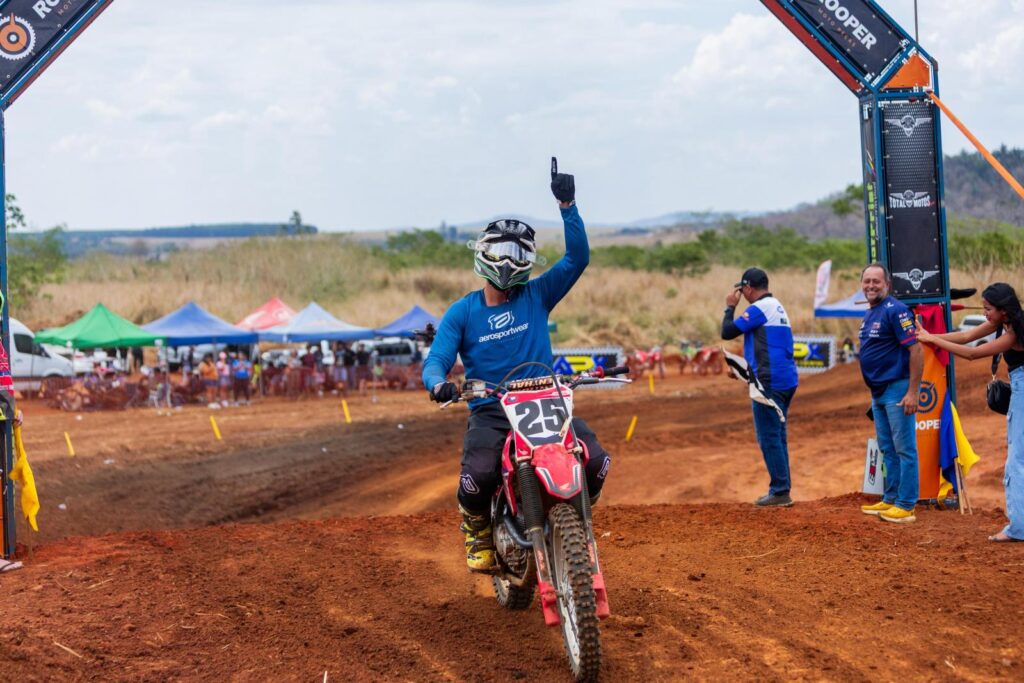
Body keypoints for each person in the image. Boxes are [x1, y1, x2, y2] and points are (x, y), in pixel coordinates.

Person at [421, 161, 612, 572]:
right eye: (502, 253)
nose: (510, 261)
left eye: (519, 253)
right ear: (485, 255)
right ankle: (477, 530)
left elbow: (577, 258)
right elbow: (437, 358)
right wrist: (438, 383)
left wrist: (567, 205)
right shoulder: (462, 312)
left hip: (546, 403)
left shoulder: (537, 294)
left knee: (596, 461)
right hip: (492, 408)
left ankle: (577, 511)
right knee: (478, 475)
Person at [917, 283, 1024, 541]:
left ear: (1003, 311)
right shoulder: (1007, 322)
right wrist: (931, 336)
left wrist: (933, 340)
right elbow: (966, 336)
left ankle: (1018, 527)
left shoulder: (1013, 333)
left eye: (988, 308)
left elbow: (973, 353)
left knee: (1016, 459)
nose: (985, 313)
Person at [721, 267, 799, 507]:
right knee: (777, 435)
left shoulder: (760, 308)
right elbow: (767, 348)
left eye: (742, 290)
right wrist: (742, 370)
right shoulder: (776, 306)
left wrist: (730, 307)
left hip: (770, 382)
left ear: (747, 288)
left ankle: (780, 491)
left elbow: (727, 332)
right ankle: (782, 488)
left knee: (769, 436)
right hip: (784, 379)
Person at [857, 263, 923, 524]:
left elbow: (916, 350)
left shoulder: (896, 310)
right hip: (879, 392)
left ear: (887, 284)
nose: (871, 285)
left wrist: (913, 392)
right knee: (887, 448)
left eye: (876, 281)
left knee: (905, 449)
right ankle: (891, 498)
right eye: (867, 281)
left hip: (897, 389)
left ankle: (906, 505)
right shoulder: (871, 312)